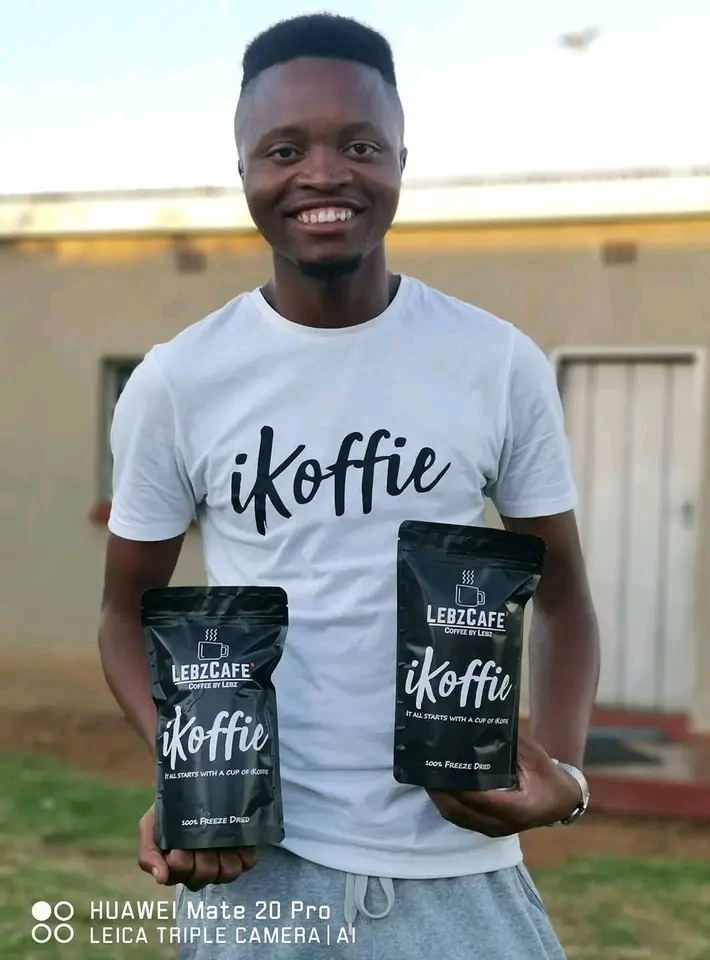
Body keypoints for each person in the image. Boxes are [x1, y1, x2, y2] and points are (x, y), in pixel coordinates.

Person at [98, 13, 600, 960]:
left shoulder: (496, 363)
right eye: (285, 149)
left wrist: (564, 776)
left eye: (360, 145)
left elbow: (565, 600)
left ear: (402, 158)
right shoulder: (177, 381)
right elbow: (125, 612)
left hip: (462, 876)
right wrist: (186, 767)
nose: (323, 174)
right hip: (262, 874)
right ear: (243, 169)